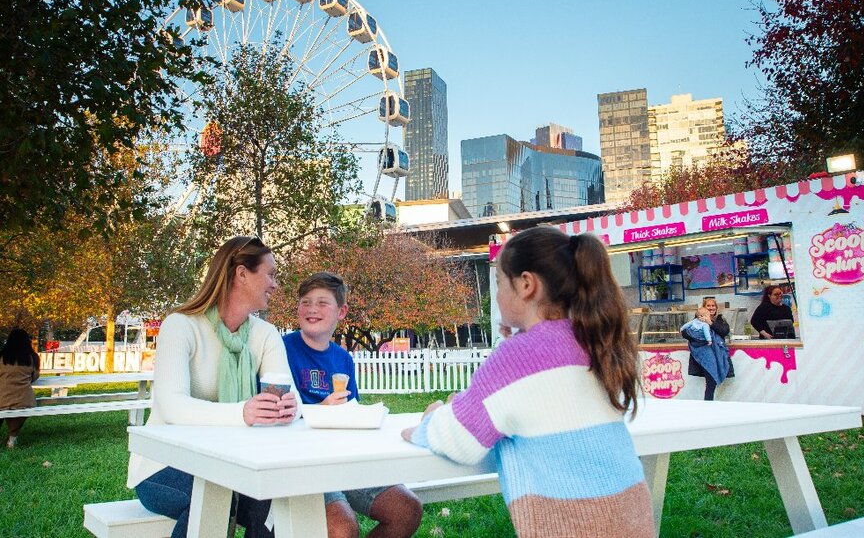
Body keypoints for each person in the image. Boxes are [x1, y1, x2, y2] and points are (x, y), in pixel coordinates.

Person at [402, 227, 654, 537]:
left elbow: (459, 440)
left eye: (498, 282)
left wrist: (430, 420)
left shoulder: (518, 356)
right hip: (632, 515)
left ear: (525, 284)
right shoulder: (593, 340)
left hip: (574, 525)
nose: (496, 294)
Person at [127, 236, 300, 538]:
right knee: (214, 499)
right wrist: (242, 413)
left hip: (236, 464)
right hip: (165, 465)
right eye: (270, 274)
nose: (275, 285)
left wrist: (288, 407)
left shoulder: (265, 335)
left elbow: (287, 391)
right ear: (242, 274)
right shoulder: (181, 326)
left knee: (277, 504)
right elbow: (171, 406)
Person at [282, 272, 422, 538]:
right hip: (303, 464)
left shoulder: (343, 359)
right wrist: (319, 411)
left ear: (341, 311)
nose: (312, 309)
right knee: (343, 528)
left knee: (407, 509)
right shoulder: (281, 349)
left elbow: (350, 410)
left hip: (342, 457)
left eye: (322, 303)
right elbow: (277, 416)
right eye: (305, 301)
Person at [680, 299, 732, 401]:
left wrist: (710, 322)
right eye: (708, 306)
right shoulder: (696, 321)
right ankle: (708, 403)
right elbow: (685, 333)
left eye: (713, 306)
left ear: (716, 308)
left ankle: (708, 402)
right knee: (711, 379)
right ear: (704, 308)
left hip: (718, 353)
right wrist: (700, 340)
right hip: (704, 354)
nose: (711, 308)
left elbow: (724, 331)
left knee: (711, 380)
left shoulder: (720, 319)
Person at [0, 329, 40, 448]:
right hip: (24, 400)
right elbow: (35, 376)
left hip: (1, 399)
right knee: (19, 414)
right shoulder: (32, 358)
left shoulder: (2, 357)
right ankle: (12, 438)